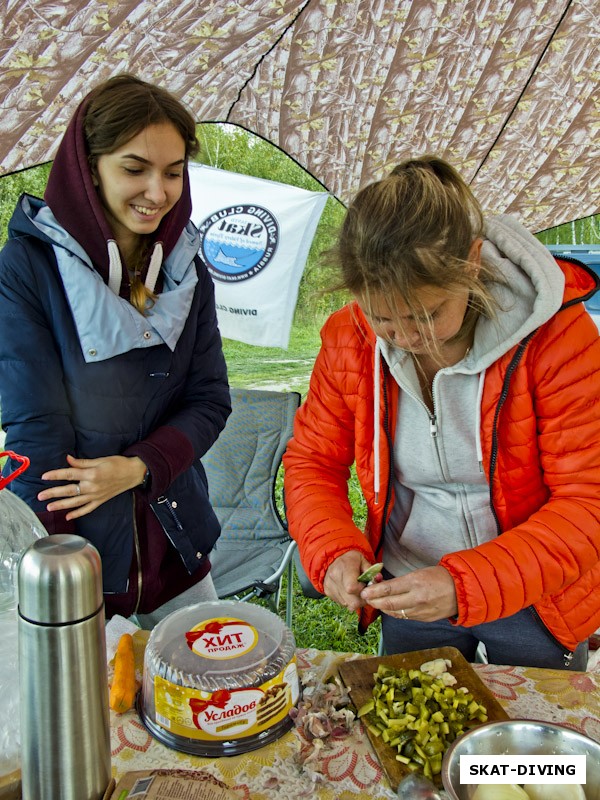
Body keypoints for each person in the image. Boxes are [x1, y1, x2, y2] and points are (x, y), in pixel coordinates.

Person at [283, 156, 600, 669]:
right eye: (383, 317)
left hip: (537, 593)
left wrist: (464, 584)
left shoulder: (557, 337)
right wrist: (331, 547)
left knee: (528, 744)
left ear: (472, 263)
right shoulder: (349, 337)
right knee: (412, 732)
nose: (407, 339)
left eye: (428, 315)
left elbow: (589, 501)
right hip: (405, 587)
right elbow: (313, 462)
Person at [0, 74, 231, 626]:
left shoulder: (186, 270)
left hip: (179, 548)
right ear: (88, 170)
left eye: (173, 173)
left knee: (206, 694)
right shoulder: (28, 269)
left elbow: (209, 400)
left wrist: (138, 466)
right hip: (82, 564)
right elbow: (36, 430)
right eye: (134, 169)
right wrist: (57, 574)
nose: (158, 192)